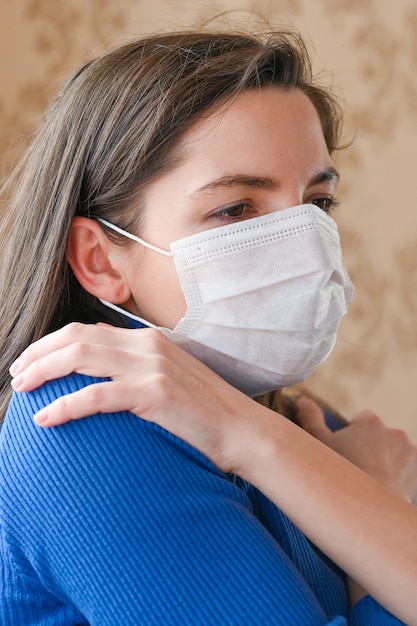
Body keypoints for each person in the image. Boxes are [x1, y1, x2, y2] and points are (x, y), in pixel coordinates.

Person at [1, 27, 417, 626]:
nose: (304, 250)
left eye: (317, 204)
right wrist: (380, 504)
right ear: (100, 260)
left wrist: (250, 434)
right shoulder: (77, 419)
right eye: (236, 209)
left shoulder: (304, 422)